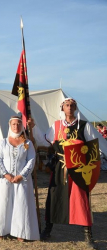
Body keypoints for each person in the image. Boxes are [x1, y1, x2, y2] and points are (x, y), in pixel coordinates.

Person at [28, 98, 107, 248]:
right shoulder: (56, 126)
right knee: (54, 198)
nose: (69, 107)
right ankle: (48, 230)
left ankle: (88, 235)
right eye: (67, 105)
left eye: (72, 105)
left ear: (75, 108)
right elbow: (44, 142)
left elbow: (95, 147)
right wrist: (33, 127)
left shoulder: (84, 126)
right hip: (60, 168)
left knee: (81, 200)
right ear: (62, 108)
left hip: (78, 170)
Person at [0, 116, 39, 242]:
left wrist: (21, 175)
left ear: (22, 126)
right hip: (4, 180)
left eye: (18, 124)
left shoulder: (27, 143)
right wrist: (6, 174)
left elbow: (31, 160)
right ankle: (0, 229)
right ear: (10, 125)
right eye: (13, 124)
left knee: (21, 204)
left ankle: (21, 232)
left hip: (21, 180)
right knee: (3, 203)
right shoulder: (3, 142)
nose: (16, 126)